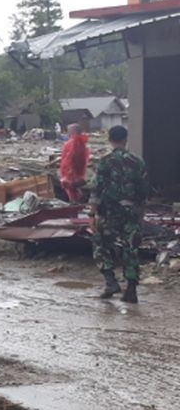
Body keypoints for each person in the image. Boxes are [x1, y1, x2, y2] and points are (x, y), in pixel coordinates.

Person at [91, 125, 148, 303]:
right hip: (131, 211)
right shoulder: (138, 161)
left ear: (110, 139)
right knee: (131, 248)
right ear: (126, 138)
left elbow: (97, 189)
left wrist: (92, 214)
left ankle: (110, 282)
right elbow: (143, 190)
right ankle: (131, 289)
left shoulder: (104, 161)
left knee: (100, 244)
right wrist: (141, 212)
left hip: (110, 212)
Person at [59, 124, 90, 203]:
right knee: (75, 192)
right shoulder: (82, 143)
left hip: (71, 174)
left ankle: (74, 206)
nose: (67, 133)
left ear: (73, 132)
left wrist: (68, 176)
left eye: (68, 131)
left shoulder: (71, 144)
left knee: (72, 194)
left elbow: (69, 160)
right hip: (79, 173)